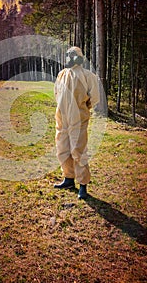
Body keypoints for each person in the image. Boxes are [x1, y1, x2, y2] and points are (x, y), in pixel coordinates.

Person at [53, 46, 100, 199]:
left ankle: (83, 186)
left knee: (78, 152)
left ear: (78, 57)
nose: (69, 58)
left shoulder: (88, 76)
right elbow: (56, 94)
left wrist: (82, 110)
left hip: (78, 120)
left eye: (72, 55)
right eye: (67, 55)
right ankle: (68, 179)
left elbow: (94, 98)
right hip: (62, 119)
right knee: (62, 149)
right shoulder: (61, 75)